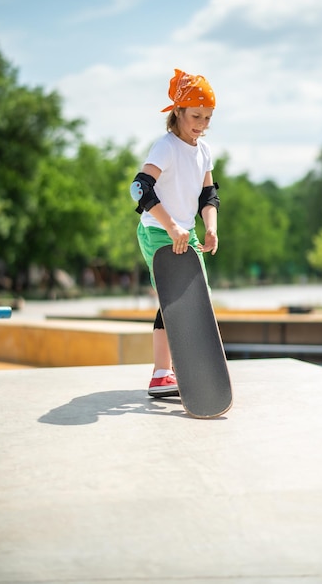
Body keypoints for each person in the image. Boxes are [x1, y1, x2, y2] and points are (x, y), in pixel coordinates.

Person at [130, 68, 220, 397]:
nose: (202, 124)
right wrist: (171, 225)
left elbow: (208, 195)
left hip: (188, 235)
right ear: (178, 112)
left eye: (208, 118)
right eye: (196, 116)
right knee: (174, 300)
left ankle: (182, 370)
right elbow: (140, 188)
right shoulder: (165, 147)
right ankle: (161, 373)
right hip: (158, 232)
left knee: (197, 301)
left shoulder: (204, 151)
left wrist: (210, 228)